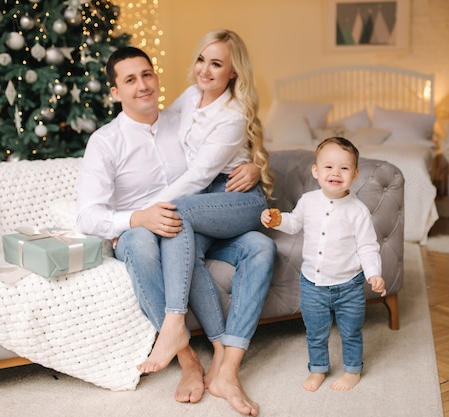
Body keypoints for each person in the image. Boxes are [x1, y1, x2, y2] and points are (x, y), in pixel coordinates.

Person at [77, 44, 272, 416]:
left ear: (157, 78)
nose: (142, 86)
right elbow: (87, 216)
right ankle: (187, 359)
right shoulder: (104, 143)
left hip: (194, 225)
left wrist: (255, 166)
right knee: (140, 241)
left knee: (262, 247)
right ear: (115, 93)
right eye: (130, 80)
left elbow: (225, 147)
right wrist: (137, 218)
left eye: (147, 75)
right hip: (141, 231)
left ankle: (224, 361)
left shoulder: (182, 118)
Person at [261, 137, 386, 392]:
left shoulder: (358, 210)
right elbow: (294, 223)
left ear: (355, 174)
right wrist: (277, 220)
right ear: (316, 171)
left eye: (344, 168)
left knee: (351, 331)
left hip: (349, 286)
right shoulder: (308, 201)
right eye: (328, 167)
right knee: (315, 331)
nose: (336, 173)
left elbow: (367, 246)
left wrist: (374, 273)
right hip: (313, 284)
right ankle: (318, 369)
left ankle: (352, 370)